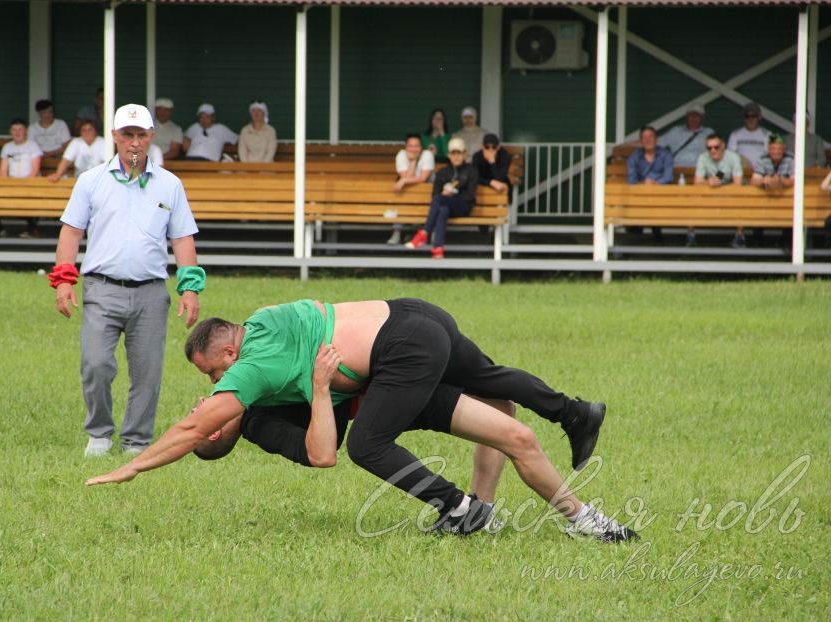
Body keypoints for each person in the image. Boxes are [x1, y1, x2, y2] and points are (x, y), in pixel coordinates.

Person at [88, 298, 634, 543]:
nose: (210, 396)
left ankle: (466, 510)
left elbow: (188, 431)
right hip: (406, 327)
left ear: (228, 354)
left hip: (399, 355)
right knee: (508, 420)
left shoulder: (250, 370)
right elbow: (318, 451)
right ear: (219, 433)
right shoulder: (256, 382)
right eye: (211, 402)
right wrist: (322, 389)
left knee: (369, 445)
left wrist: (131, 469)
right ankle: (584, 515)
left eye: (211, 379)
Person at [49, 103, 205, 456]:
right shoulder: (90, 181)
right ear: (115, 137)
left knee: (147, 373)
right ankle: (100, 434)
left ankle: (136, 441)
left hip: (151, 293)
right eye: (127, 135)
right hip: (102, 289)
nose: (134, 143)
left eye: (141, 135)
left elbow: (182, 239)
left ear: (151, 137)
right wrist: (63, 280)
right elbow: (71, 232)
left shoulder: (170, 184)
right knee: (96, 364)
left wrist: (190, 287)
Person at [193, 380, 511, 514]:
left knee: (501, 405)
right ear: (213, 434)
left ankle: (481, 509)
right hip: (382, 394)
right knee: (499, 407)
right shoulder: (258, 424)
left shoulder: (245, 391)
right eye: (198, 412)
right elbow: (317, 451)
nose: (201, 401)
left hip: (382, 377)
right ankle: (475, 510)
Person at [405, 137, 478, 259]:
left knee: (440, 200)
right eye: (453, 153)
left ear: (464, 154)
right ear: (449, 155)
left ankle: (424, 232)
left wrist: (453, 194)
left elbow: (470, 195)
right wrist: (445, 195)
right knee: (442, 209)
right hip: (445, 205)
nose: (456, 157)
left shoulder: (472, 171)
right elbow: (435, 195)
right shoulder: (443, 172)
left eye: (459, 153)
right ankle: (438, 249)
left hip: (463, 206)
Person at [692, 134, 745, 247]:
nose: (713, 150)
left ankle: (739, 236)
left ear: (723, 146)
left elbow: (738, 184)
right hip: (709, 196)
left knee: (742, 198)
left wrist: (720, 189)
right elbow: (697, 183)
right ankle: (690, 236)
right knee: (691, 197)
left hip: (730, 196)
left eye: (716, 147)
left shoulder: (733, 157)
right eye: (709, 148)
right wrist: (707, 182)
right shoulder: (703, 157)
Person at [626, 125, 674, 243]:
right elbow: (631, 181)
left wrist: (654, 183)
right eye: (644, 137)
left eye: (650, 137)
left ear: (656, 139)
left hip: (662, 195)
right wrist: (644, 185)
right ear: (641, 141)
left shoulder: (665, 154)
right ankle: (650, 234)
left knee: (654, 199)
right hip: (641, 195)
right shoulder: (634, 157)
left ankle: (645, 233)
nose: (647, 140)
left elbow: (668, 177)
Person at [0, 118, 43, 238]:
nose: (17, 132)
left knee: (29, 199)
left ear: (26, 131)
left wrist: (24, 184)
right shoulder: (7, 147)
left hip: (30, 185)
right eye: (14, 130)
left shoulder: (33, 146)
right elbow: (3, 171)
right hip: (11, 184)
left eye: (20, 129)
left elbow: (35, 170)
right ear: (10, 132)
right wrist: (6, 184)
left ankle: (31, 228)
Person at [386, 134, 435, 245]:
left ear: (421, 147)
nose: (413, 149)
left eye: (417, 146)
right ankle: (397, 231)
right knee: (402, 196)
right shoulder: (401, 155)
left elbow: (423, 179)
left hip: (426, 190)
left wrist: (403, 181)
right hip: (409, 190)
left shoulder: (427, 154)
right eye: (410, 146)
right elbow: (406, 178)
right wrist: (413, 161)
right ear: (405, 147)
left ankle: (426, 234)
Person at [661, 103, 714, 168]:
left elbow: (719, 154)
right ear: (686, 117)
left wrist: (717, 176)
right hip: (677, 169)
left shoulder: (708, 133)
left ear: (702, 118)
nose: (694, 118)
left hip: (700, 170)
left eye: (697, 116)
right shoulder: (675, 131)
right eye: (691, 115)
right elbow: (656, 144)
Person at [727, 102, 769, 167]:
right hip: (741, 172)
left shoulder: (768, 134)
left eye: (753, 116)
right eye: (747, 116)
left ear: (759, 117)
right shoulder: (735, 134)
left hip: (761, 173)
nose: (750, 119)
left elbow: (770, 156)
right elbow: (730, 155)